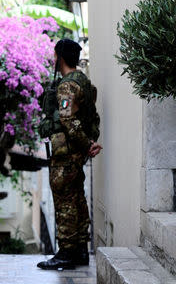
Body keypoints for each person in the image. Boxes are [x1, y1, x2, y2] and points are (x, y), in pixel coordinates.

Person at [37, 38, 102, 270]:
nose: (54, 60)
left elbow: (67, 119)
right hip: (77, 154)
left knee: (65, 201)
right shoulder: (83, 81)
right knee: (77, 199)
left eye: (55, 56)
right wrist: (89, 144)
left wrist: (85, 144)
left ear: (61, 58)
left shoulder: (67, 85)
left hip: (67, 154)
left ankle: (65, 253)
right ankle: (80, 251)